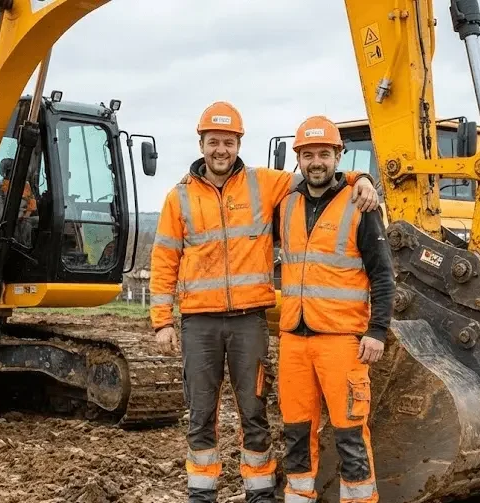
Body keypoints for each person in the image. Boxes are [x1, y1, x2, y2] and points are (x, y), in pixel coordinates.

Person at [149, 102, 380, 503]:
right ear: (201, 144)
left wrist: (362, 178)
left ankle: (259, 491)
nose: (221, 150)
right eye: (213, 142)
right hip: (199, 323)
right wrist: (162, 320)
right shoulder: (179, 198)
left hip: (248, 321)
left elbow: (319, 176)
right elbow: (164, 258)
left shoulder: (264, 184)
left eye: (228, 142)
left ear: (239, 144)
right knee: (200, 412)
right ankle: (201, 493)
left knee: (253, 411)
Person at [274, 115, 395, 503]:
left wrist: (377, 330)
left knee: (350, 433)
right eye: (308, 155)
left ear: (338, 156)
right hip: (294, 340)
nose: (316, 162)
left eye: (324, 154)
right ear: (298, 158)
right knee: (296, 433)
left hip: (342, 342)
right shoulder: (285, 204)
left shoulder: (360, 205)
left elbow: (383, 275)